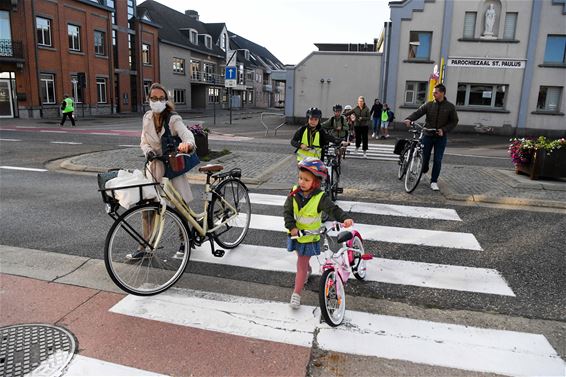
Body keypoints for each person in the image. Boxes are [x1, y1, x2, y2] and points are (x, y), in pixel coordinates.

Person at [130, 83, 196, 260]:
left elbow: (188, 135)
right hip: (154, 167)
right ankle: (145, 245)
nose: (157, 101)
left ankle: (185, 240)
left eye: (161, 98)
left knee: (180, 205)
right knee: (147, 207)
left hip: (172, 166)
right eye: (154, 98)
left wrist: (187, 144)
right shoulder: (146, 118)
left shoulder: (173, 119)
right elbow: (143, 140)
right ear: (148, 99)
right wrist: (147, 151)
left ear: (166, 100)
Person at [283, 158, 354, 308]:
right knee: (301, 257)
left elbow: (333, 209)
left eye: (306, 180)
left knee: (300, 264)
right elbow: (287, 211)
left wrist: (345, 217)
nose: (301, 182)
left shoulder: (320, 197)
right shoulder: (294, 192)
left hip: (310, 235)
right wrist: (292, 227)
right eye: (300, 178)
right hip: (297, 234)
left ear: (315, 182)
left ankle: (296, 294)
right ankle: (308, 270)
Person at [403, 83, 458, 191]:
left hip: (441, 137)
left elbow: (454, 121)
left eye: (436, 93)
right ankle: (423, 172)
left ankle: (433, 181)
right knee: (425, 158)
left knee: (438, 160)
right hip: (427, 135)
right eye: (433, 92)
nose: (433, 94)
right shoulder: (429, 104)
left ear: (442, 93)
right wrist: (409, 119)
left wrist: (444, 130)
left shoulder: (450, 106)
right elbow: (418, 112)